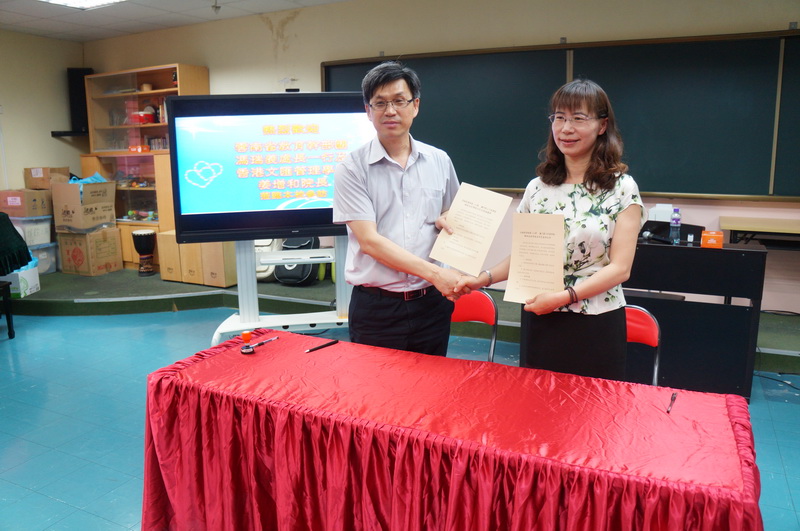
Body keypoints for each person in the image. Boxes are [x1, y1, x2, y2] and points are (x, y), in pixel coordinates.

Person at [456, 79, 646, 380]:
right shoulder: (538, 188)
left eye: (578, 118)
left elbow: (620, 269)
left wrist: (563, 297)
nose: (566, 128)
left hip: (597, 321)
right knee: (538, 402)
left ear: (602, 125)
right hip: (541, 316)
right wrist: (482, 279)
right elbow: (525, 256)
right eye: (559, 118)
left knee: (594, 406)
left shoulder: (621, 188)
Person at [333, 61, 463, 356]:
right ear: (368, 111)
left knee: (433, 381)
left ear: (415, 105)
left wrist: (445, 220)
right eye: (380, 103)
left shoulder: (440, 160)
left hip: (432, 304)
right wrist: (437, 274)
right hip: (377, 308)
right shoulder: (351, 168)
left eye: (399, 101)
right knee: (377, 385)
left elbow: (452, 214)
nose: (390, 111)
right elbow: (370, 242)